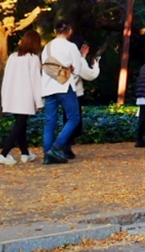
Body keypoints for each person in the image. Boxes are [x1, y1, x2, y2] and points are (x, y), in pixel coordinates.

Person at [40, 20, 96, 164]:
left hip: (47, 87)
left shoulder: (47, 47)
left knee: (50, 121)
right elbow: (77, 69)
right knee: (74, 118)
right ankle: (57, 147)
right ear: (69, 31)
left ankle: (47, 154)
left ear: (55, 31)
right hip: (64, 86)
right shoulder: (71, 46)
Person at [1, 30, 43, 164]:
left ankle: (25, 153)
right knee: (19, 125)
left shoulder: (13, 57)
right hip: (25, 96)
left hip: (12, 95)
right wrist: (39, 101)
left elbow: (7, 78)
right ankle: (4, 153)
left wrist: (5, 97)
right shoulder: (33, 59)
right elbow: (36, 81)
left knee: (21, 125)